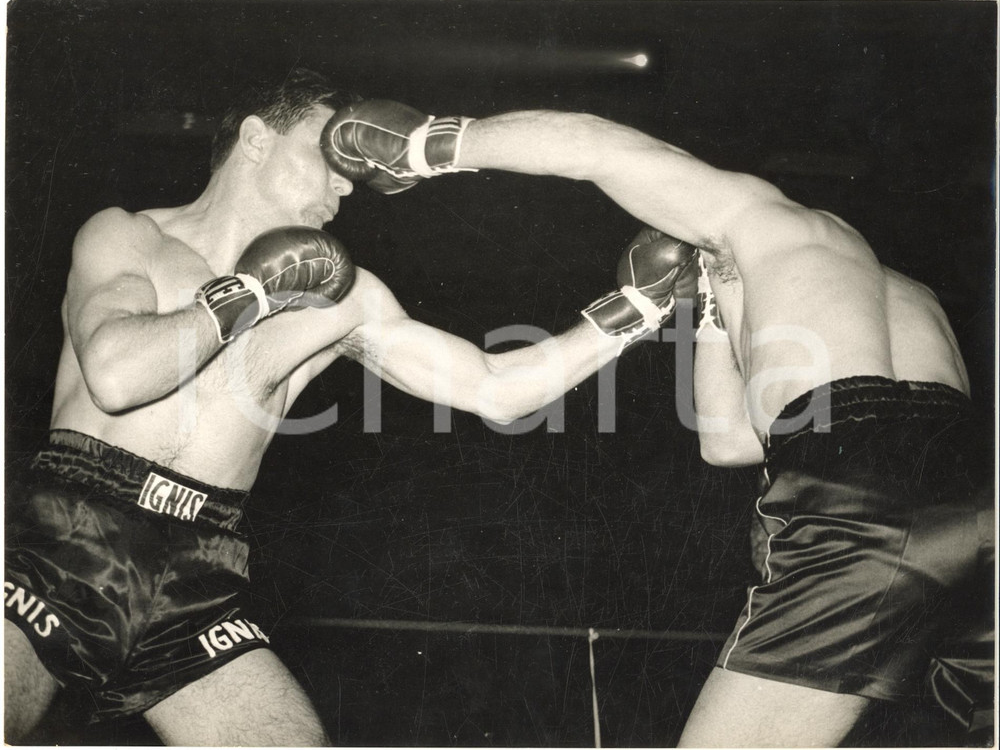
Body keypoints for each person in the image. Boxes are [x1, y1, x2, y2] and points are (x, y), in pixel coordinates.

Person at [3, 70, 697, 745]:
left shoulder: (345, 294)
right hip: (67, 528)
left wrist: (636, 311)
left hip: (197, 566)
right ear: (254, 139)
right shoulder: (129, 236)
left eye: (352, 170)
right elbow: (119, 376)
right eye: (327, 157)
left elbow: (493, 385)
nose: (344, 184)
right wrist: (251, 292)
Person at [322, 101, 995, 746]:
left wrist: (429, 145)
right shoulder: (907, 292)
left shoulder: (750, 214)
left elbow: (594, 145)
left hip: (860, 488)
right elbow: (726, 441)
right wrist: (704, 309)